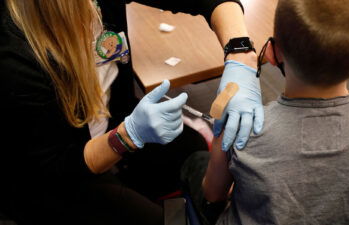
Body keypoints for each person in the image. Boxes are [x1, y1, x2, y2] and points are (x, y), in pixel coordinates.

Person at [0, 0, 265, 224]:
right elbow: (58, 167)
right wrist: (127, 136)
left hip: (110, 121)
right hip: (56, 179)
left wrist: (240, 53)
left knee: (190, 149)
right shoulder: (14, 58)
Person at [181, 0, 349, 224]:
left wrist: (220, 139)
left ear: (272, 53)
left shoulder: (242, 128)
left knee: (194, 162)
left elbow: (213, 194)